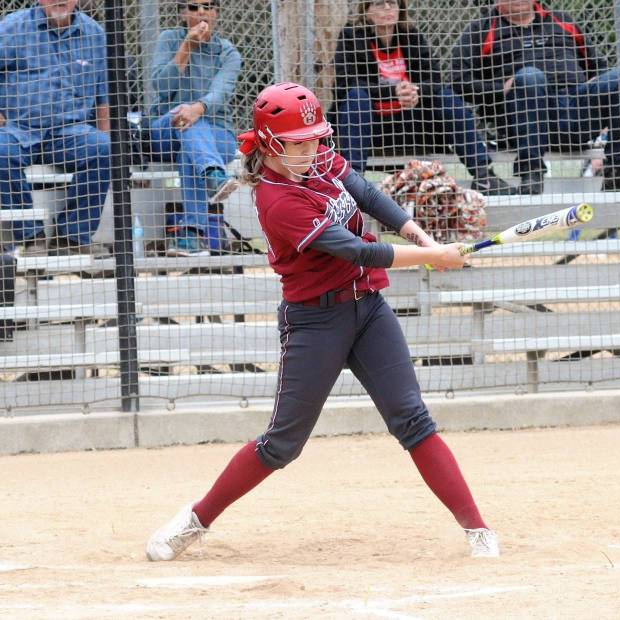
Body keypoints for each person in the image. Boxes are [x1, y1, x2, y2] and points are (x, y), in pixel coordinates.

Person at [145, 82, 499, 561]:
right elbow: (355, 249)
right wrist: (432, 257)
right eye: (299, 141)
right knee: (281, 444)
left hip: (368, 308)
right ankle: (196, 518)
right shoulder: (277, 200)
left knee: (413, 420)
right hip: (316, 322)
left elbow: (368, 195)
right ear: (270, 143)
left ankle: (477, 529)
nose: (313, 147)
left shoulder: (318, 160)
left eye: (315, 137)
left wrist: (415, 230)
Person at [451, 0, 620, 194]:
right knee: (530, 77)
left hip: (578, 109)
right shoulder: (481, 30)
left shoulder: (562, 21)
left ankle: (619, 173)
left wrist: (595, 80)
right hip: (525, 117)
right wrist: (500, 89)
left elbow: (597, 66)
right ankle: (531, 173)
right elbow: (460, 81)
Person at [332, 0, 515, 196]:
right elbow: (344, 85)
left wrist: (414, 90)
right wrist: (392, 91)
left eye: (392, 3)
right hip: (373, 125)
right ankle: (354, 184)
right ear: (366, 11)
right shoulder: (352, 37)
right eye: (379, 4)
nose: (387, 9)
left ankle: (483, 175)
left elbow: (436, 79)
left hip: (413, 123)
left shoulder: (410, 35)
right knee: (355, 98)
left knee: (446, 97)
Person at [0, 0, 110, 256]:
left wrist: (107, 136)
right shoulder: (13, 27)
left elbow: (105, 97)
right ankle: (31, 236)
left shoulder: (94, 34)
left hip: (71, 132)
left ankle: (72, 237)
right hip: (18, 130)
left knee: (104, 148)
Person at [148, 0, 241, 256]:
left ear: (215, 13)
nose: (201, 11)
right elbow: (161, 87)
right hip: (166, 129)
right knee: (183, 116)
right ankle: (213, 176)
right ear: (182, 12)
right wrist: (186, 47)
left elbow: (221, 93)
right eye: (193, 6)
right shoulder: (169, 39)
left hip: (217, 134)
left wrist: (196, 109)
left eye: (208, 5)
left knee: (190, 144)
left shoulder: (227, 51)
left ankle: (191, 235)